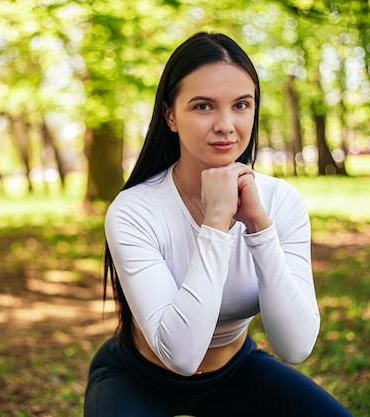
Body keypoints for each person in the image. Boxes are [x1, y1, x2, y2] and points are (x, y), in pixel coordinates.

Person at [83, 32, 353, 417]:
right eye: (204, 106)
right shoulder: (133, 211)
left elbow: (295, 347)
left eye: (241, 104)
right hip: (137, 376)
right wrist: (215, 224)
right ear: (170, 115)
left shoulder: (282, 202)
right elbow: (182, 356)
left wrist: (259, 229)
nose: (226, 124)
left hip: (236, 370)